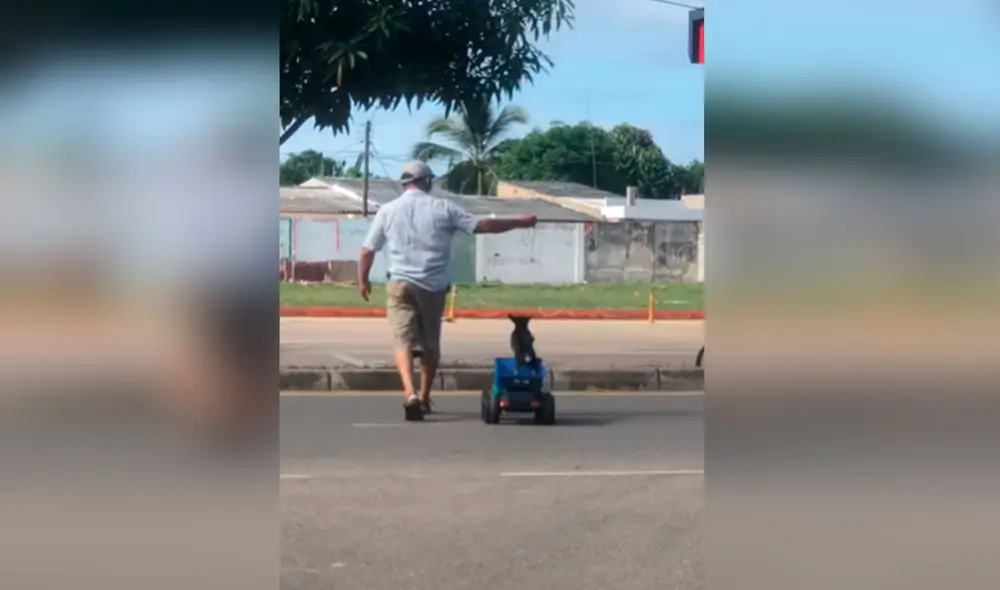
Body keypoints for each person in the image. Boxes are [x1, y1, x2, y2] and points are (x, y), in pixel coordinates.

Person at [358, 161, 537, 418]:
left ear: (404, 183)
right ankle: (424, 396)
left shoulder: (388, 210)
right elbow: (482, 226)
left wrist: (363, 281)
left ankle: (409, 394)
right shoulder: (443, 209)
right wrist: (520, 222)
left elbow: (367, 251)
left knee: (402, 340)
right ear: (428, 182)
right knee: (431, 345)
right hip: (432, 286)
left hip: (399, 284)